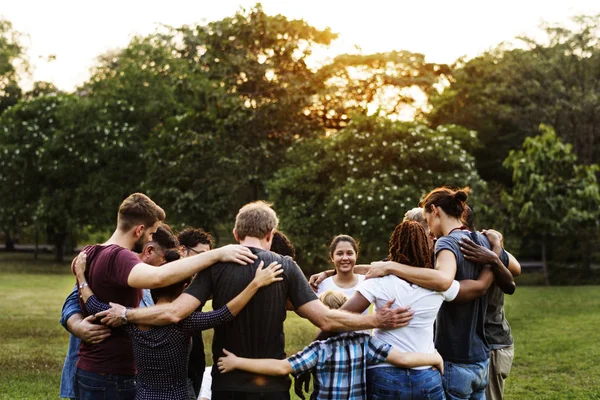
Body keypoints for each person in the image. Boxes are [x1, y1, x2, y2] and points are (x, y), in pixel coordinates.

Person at [96, 200, 414, 400]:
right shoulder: (286, 266)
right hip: (272, 387)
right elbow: (326, 319)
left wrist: (127, 315)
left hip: (227, 384)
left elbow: (175, 313)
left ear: (236, 233)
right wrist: (373, 320)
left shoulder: (216, 265)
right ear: (271, 233)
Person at [72, 193, 257, 400]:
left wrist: (81, 280)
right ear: (139, 230)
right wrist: (219, 256)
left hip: (88, 370)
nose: (152, 238)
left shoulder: (91, 253)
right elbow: (161, 277)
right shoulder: (121, 258)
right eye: (151, 232)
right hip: (113, 376)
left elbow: (97, 305)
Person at [366, 187, 516, 400]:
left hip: (453, 357)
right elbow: (495, 282)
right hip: (480, 356)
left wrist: (391, 267)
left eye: (427, 222)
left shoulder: (446, 242)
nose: (428, 231)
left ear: (435, 210)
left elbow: (443, 281)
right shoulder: (484, 242)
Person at [74, 250, 282, 400]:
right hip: (178, 395)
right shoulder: (184, 323)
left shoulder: (129, 319)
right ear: (183, 289)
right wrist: (255, 284)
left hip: (144, 396)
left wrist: (81, 276)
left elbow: (93, 305)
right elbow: (224, 314)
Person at [216, 288, 443, 400]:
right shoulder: (365, 343)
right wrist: (435, 358)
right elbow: (403, 359)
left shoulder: (319, 350)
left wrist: (237, 362)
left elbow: (281, 367)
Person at [334, 221, 459, 399]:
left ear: (394, 245)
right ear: (426, 246)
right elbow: (477, 288)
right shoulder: (440, 285)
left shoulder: (379, 282)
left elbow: (338, 319)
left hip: (384, 373)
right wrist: (493, 260)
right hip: (426, 373)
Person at [58, 224, 180, 400]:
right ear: (149, 251)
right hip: (100, 374)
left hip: (128, 376)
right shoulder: (110, 264)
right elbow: (72, 302)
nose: (164, 267)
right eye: (164, 260)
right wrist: (77, 326)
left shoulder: (151, 285)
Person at [463, 207, 520, 400]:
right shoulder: (485, 244)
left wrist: (495, 251)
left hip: (492, 342)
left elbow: (515, 273)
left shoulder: (485, 246)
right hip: (473, 345)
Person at [316, 236, 367, 313]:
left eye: (349, 253)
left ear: (356, 255)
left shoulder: (366, 282)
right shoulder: (321, 285)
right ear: (332, 257)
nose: (345, 258)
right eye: (340, 254)